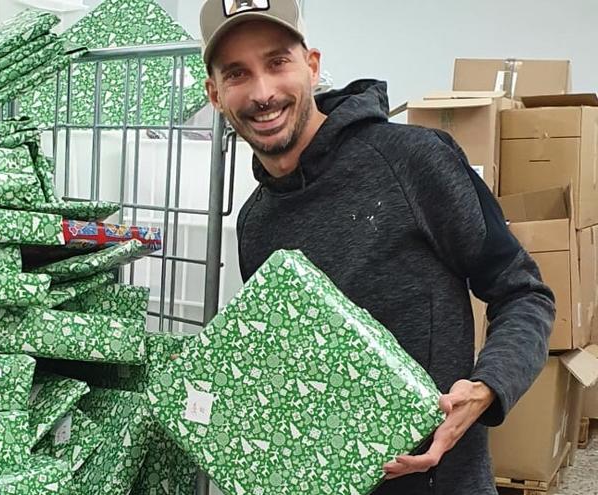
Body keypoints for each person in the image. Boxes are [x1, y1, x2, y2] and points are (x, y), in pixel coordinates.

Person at [198, 0, 555, 493]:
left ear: (312, 65)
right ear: (215, 94)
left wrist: (485, 388)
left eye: (278, 62)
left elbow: (525, 293)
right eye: (238, 74)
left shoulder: (413, 162)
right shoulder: (255, 225)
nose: (263, 92)